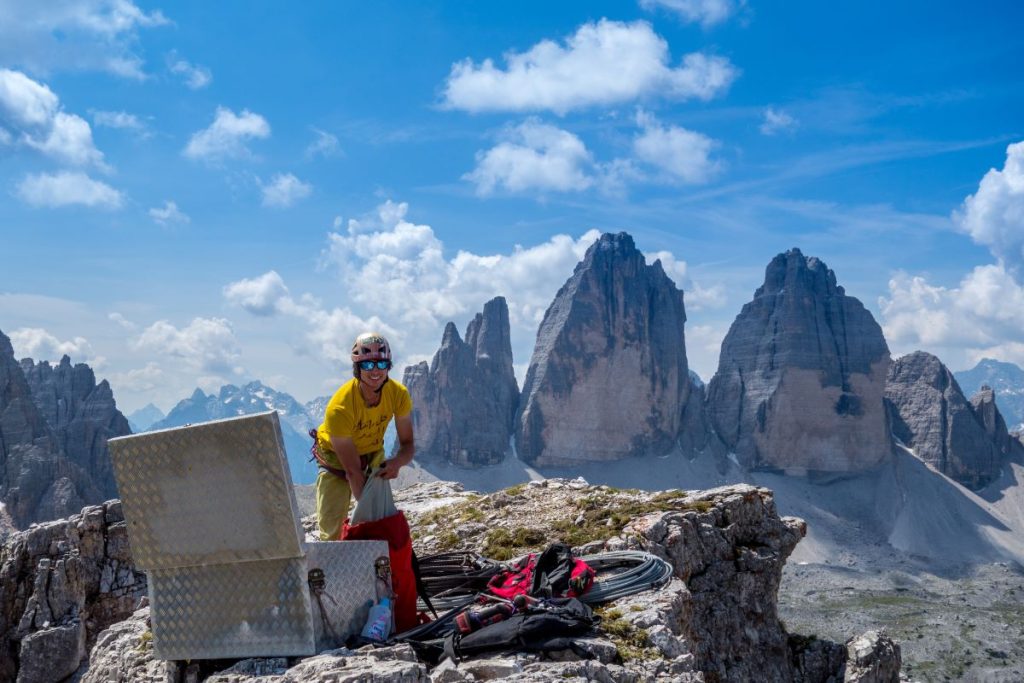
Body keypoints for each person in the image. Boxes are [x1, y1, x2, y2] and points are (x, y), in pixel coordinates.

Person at [313, 332, 415, 540]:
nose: (375, 371)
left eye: (381, 365)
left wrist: (397, 462)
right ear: (357, 368)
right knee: (332, 531)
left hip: (371, 451)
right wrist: (368, 512)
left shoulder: (398, 394)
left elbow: (408, 444)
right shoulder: (340, 407)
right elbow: (352, 471)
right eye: (368, 365)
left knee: (381, 521)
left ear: (389, 366)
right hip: (335, 458)